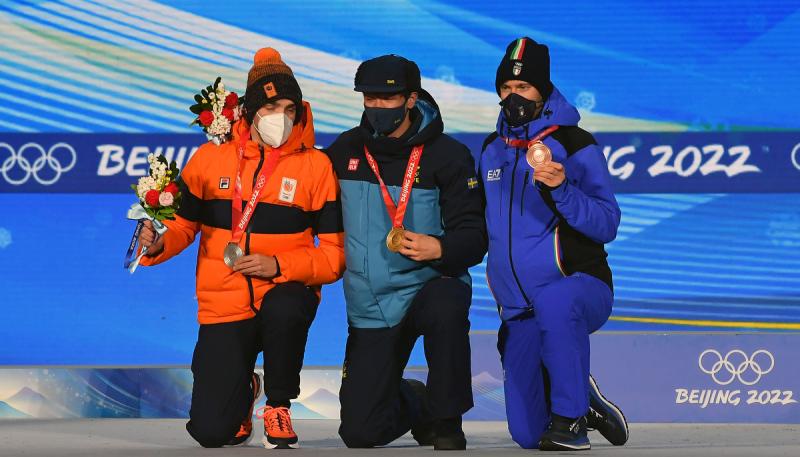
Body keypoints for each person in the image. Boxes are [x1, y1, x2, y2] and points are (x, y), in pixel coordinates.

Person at [137, 48, 345, 449]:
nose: (280, 117)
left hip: (285, 290)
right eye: (269, 107)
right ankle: (245, 387)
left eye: (288, 107)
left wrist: (279, 265)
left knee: (286, 308)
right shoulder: (210, 159)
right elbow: (183, 224)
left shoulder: (316, 168)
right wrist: (159, 242)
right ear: (249, 111)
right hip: (225, 300)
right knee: (211, 433)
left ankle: (279, 405)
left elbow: (334, 256)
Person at [325, 54, 487, 450]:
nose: (377, 106)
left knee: (448, 303)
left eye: (388, 98)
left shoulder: (449, 155)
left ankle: (446, 421)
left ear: (412, 99)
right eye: (369, 98)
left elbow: (475, 235)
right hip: (372, 301)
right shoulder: (343, 150)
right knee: (360, 433)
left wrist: (441, 247)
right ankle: (417, 399)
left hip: (429, 283)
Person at [477, 37, 629, 451]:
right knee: (527, 436)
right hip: (519, 309)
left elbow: (607, 223)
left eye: (523, 88)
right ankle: (584, 397)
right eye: (506, 89)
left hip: (581, 287)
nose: (513, 97)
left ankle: (572, 419)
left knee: (556, 303)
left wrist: (563, 189)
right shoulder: (490, 151)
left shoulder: (574, 143)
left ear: (542, 90)